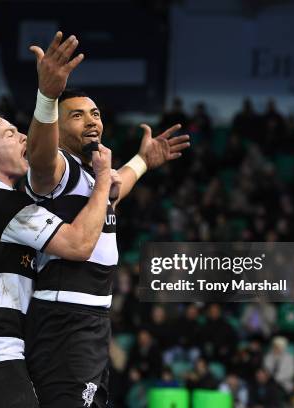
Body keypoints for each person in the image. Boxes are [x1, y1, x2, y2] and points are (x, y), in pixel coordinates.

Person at [24, 32, 190, 407]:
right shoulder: (56, 171)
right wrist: (47, 97)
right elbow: (39, 152)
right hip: (64, 318)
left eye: (95, 114)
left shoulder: (92, 174)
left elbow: (117, 188)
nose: (91, 122)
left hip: (93, 321)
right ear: (58, 125)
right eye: (78, 115)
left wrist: (144, 160)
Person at [0, 100, 116, 407]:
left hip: (6, 347)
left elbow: (94, 212)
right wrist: (104, 179)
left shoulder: (3, 200)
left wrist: (139, 164)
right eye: (11, 134)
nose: (24, 138)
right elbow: (79, 244)